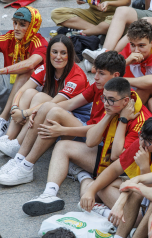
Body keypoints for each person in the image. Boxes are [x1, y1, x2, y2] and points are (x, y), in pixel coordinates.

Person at [19, 78, 152, 215]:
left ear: (125, 101)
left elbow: (116, 156)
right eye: (104, 98)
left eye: (110, 100)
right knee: (63, 146)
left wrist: (123, 120)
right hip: (109, 157)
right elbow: (90, 141)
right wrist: (108, 116)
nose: (105, 103)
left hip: (128, 171)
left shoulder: (139, 120)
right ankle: (49, 194)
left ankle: (86, 179)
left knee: (95, 191)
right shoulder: (114, 106)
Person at [0, 51, 125, 186]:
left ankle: (26, 166)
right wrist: (37, 111)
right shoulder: (98, 86)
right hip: (86, 130)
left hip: (96, 142)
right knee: (48, 106)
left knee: (55, 113)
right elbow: (70, 103)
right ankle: (19, 158)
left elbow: (97, 132)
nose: (95, 77)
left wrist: (63, 130)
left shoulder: (119, 99)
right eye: (53, 52)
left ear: (115, 76)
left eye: (101, 73)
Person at [23, 115, 152, 216]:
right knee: (90, 192)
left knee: (134, 216)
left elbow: (151, 194)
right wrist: (91, 191)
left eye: (148, 141)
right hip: (132, 184)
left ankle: (97, 197)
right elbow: (115, 168)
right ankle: (83, 180)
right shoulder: (143, 142)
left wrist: (144, 167)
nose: (142, 143)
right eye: (142, 137)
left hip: (151, 202)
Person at [0, 35, 89, 177]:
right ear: (49, 54)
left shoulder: (76, 76)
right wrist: (15, 107)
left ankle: (19, 146)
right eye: (54, 52)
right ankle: (10, 139)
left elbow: (53, 104)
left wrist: (25, 113)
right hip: (52, 114)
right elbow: (23, 90)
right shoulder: (46, 67)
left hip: (75, 123)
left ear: (70, 54)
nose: (58, 57)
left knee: (41, 98)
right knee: (30, 92)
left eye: (63, 53)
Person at [0, 7, 47, 137]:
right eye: (15, 23)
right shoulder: (10, 36)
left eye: (22, 25)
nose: (16, 28)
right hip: (12, 86)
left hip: (34, 92)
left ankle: (3, 120)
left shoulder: (40, 43)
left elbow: (30, 64)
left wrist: (2, 71)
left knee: (26, 71)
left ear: (32, 26)